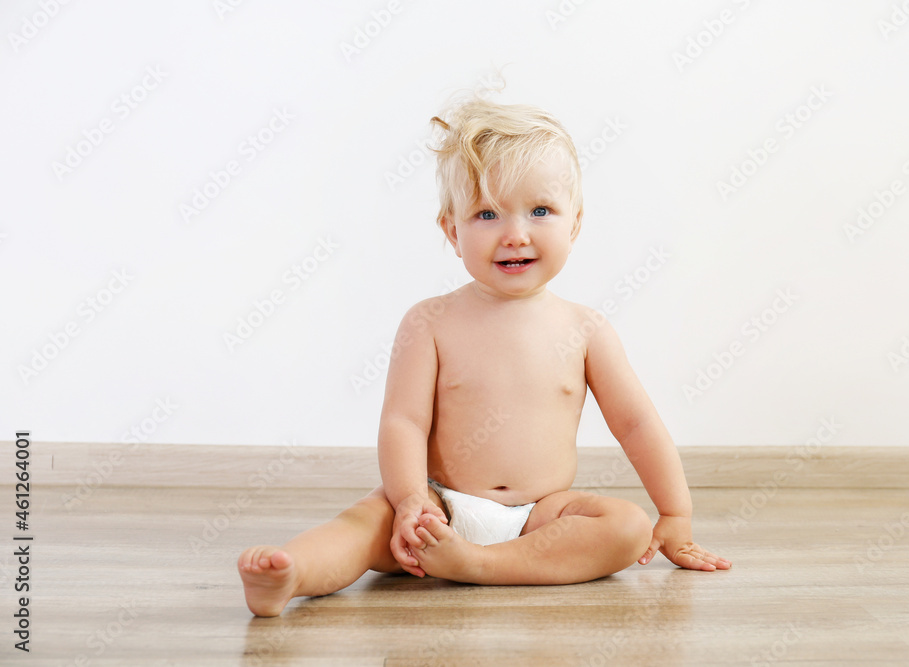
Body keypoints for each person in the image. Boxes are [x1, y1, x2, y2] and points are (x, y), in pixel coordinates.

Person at [238, 95, 730, 617]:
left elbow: (636, 425)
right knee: (360, 527)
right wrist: (410, 501)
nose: (515, 233)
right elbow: (403, 422)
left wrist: (674, 512)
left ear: (576, 223)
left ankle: (478, 564)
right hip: (439, 505)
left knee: (626, 527)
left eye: (540, 211)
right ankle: (288, 575)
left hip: (540, 517)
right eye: (487, 213)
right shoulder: (428, 322)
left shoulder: (587, 330)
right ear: (452, 231)